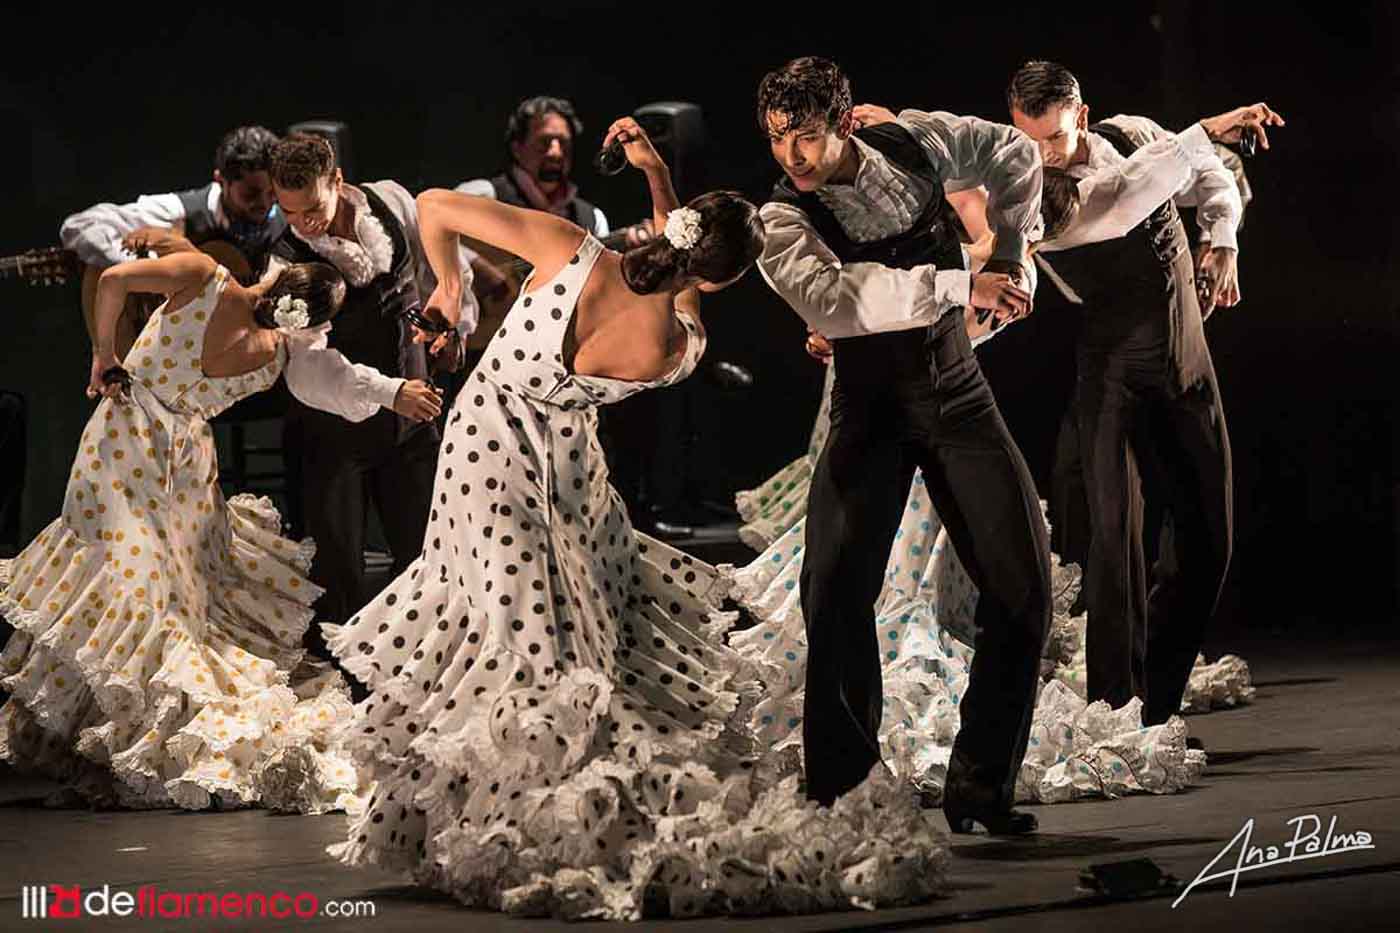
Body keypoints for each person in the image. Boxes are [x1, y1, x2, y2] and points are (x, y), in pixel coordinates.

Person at [324, 118, 948, 920]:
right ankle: (506, 805)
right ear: (725, 279)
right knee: (534, 630)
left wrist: (448, 286)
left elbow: (435, 207)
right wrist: (654, 183)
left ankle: (533, 794)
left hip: (500, 438)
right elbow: (679, 271)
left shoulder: (565, 245)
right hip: (521, 457)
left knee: (561, 622)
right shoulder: (672, 345)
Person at [0, 249, 442, 811]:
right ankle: (114, 742)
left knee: (162, 599)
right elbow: (333, 380)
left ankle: (136, 743)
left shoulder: (210, 281)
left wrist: (102, 354)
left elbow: (112, 280)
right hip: (145, 453)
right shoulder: (277, 344)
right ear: (309, 320)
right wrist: (390, 391)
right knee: (138, 592)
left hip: (155, 453)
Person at [753, 56, 1048, 836]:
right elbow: (837, 301)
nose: (791, 157)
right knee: (832, 589)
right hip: (870, 404)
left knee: (1023, 586)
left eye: (806, 137)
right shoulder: (781, 218)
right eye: (778, 139)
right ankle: (844, 795)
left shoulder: (916, 140)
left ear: (846, 124)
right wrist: (960, 286)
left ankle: (982, 790)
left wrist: (1013, 250)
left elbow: (1017, 154)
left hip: (955, 388)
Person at [1007, 61, 1280, 726]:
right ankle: (1115, 708)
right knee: (1114, 540)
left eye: (1054, 139)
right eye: (1027, 139)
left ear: (1083, 113)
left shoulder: (1131, 134)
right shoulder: (1029, 197)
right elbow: (1123, 198)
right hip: (1112, 369)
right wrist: (1204, 132)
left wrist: (1220, 240)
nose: (1041, 154)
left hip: (1188, 354)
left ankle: (1160, 692)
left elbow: (1209, 177)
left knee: (1209, 537)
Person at [266, 134, 476, 658]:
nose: (303, 223)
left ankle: (431, 670)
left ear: (338, 181)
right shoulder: (286, 263)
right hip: (336, 436)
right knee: (340, 572)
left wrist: (452, 324)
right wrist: (389, 391)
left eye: (312, 208)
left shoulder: (391, 200)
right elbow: (308, 370)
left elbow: (443, 267)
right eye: (288, 210)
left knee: (431, 554)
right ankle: (352, 686)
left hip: (414, 421)